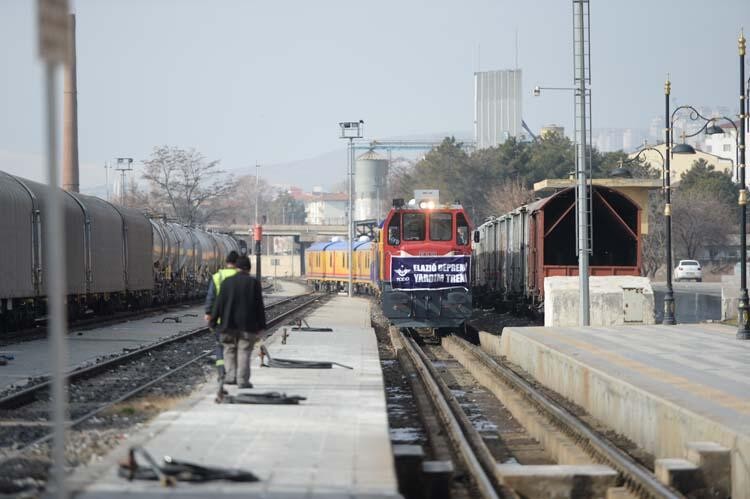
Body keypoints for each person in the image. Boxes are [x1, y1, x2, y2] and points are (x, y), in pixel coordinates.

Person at [210, 255, 266, 389]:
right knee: (244, 351)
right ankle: (242, 381)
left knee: (229, 350)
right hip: (248, 326)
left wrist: (213, 322)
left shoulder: (226, 282)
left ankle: (231, 377)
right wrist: (261, 326)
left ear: (236, 267)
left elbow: (218, 304)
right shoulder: (253, 283)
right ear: (249, 268)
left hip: (227, 325)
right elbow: (259, 306)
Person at [204, 250, 239, 382]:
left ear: (226, 263)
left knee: (220, 345)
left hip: (220, 320)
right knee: (234, 346)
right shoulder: (241, 276)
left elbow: (211, 298)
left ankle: (221, 372)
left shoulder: (218, 276)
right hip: (237, 320)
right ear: (237, 263)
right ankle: (233, 372)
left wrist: (208, 313)